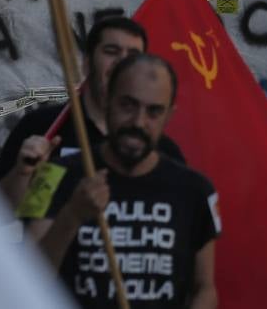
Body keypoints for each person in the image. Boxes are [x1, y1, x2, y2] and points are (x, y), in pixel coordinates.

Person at [31, 54, 219, 309]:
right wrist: (72, 215)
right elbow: (26, 275)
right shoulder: (50, 174)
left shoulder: (198, 191)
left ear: (169, 115)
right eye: (128, 105)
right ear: (107, 101)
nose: (138, 122)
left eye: (154, 112)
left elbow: (205, 288)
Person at [0, 17, 185, 208]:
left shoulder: (162, 149)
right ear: (86, 64)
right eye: (111, 51)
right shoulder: (42, 126)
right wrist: (22, 173)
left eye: (133, 56)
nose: (122, 62)